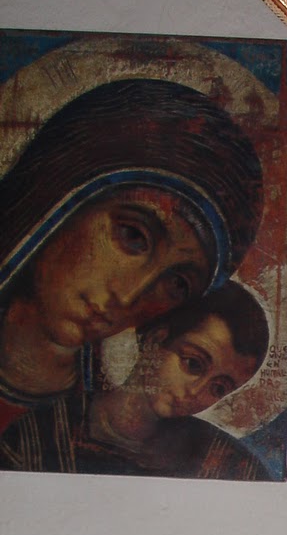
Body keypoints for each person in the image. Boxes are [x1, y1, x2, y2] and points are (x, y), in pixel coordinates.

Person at [0, 76, 263, 435]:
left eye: (177, 284)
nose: (127, 297)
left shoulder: (97, 428)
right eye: (133, 236)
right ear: (59, 198)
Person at [0, 281, 270, 479]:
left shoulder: (229, 462)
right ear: (155, 339)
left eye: (218, 387)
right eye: (193, 364)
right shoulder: (36, 435)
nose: (196, 391)